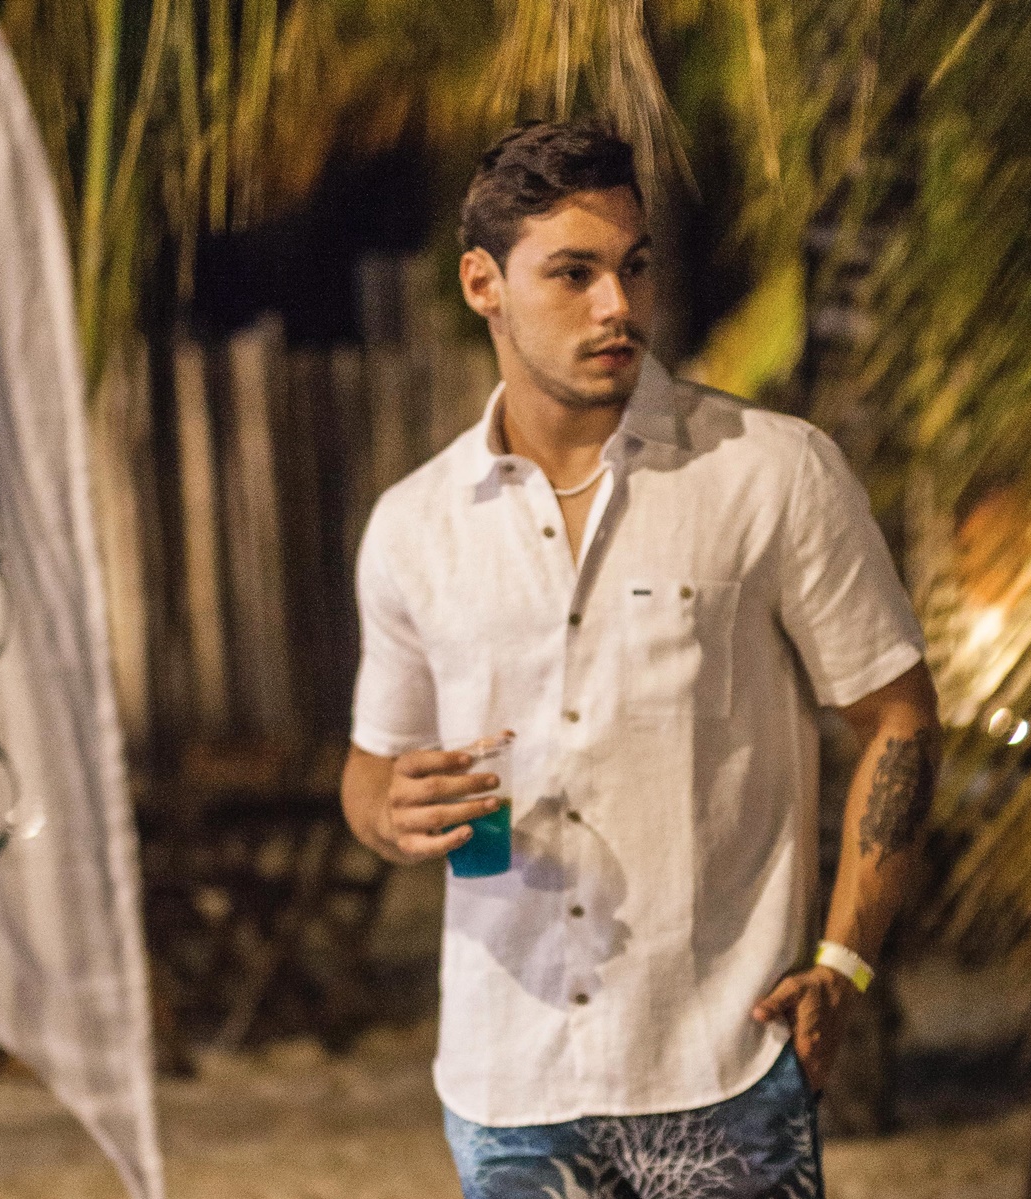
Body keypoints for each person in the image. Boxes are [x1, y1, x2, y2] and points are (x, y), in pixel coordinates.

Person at [341, 120, 940, 1199]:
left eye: (635, 266)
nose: (617, 304)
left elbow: (897, 712)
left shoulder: (770, 473)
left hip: (723, 1059)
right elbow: (370, 769)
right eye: (573, 273)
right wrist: (392, 811)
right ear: (483, 283)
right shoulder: (413, 526)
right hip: (507, 1080)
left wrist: (845, 962)